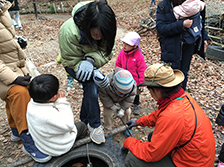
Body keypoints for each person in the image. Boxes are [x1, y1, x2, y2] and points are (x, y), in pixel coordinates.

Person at [122, 63, 215, 167]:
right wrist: (138, 122)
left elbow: (151, 153)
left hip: (192, 164)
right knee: (152, 136)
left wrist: (129, 142)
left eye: (150, 90)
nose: (150, 94)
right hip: (197, 156)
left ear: (157, 90)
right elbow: (158, 115)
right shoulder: (182, 98)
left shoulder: (172, 115)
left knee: (132, 160)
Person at [58, 0, 116, 144]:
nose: (99, 38)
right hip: (73, 63)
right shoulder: (68, 31)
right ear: (87, 25)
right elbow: (70, 59)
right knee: (91, 84)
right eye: (95, 34)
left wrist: (91, 61)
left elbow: (108, 52)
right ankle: (94, 124)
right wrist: (84, 65)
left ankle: (85, 120)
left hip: (90, 63)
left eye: (102, 35)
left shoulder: (106, 25)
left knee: (91, 86)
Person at [0, 0, 49, 163]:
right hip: (4, 72)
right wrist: (14, 79)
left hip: (14, 65)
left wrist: (18, 42)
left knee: (19, 93)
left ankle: (15, 128)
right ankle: (27, 140)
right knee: (19, 93)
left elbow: (6, 39)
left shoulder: (3, 9)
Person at [26, 74, 88, 163]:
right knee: (82, 126)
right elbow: (69, 125)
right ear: (54, 97)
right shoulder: (48, 115)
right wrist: (62, 101)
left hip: (42, 143)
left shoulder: (31, 103)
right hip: (56, 147)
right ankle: (79, 150)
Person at [156, 0, 208, 90]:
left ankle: (181, 97)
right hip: (170, 47)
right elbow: (161, 28)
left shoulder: (193, 3)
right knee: (170, 73)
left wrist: (204, 37)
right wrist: (181, 25)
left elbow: (200, 21)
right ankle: (169, 100)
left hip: (188, 44)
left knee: (184, 72)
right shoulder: (163, 5)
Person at [98, 67, 137, 140]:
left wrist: (123, 109)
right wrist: (112, 107)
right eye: (121, 92)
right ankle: (108, 129)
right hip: (110, 98)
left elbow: (130, 99)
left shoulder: (132, 85)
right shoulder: (105, 83)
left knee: (127, 111)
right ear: (113, 83)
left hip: (123, 99)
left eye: (124, 92)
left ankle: (126, 126)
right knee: (107, 113)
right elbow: (104, 97)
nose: (122, 93)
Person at [115, 31, 147, 115]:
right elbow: (118, 64)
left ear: (135, 46)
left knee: (135, 93)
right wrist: (117, 73)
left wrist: (142, 83)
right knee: (122, 91)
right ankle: (122, 104)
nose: (124, 46)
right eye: (124, 43)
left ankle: (136, 104)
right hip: (124, 78)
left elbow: (142, 69)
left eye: (127, 44)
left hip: (135, 80)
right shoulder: (122, 53)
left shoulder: (138, 56)